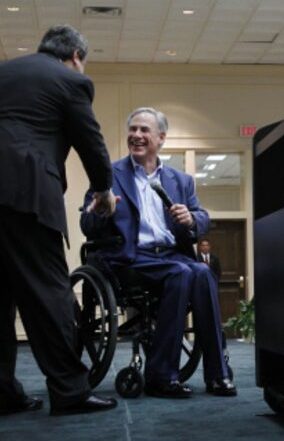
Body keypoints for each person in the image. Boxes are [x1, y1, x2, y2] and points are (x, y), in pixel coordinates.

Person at [0, 25, 118, 416]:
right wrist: (103, 191)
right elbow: (92, 142)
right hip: (21, 188)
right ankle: (69, 390)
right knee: (47, 291)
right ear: (75, 57)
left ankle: (1, 392)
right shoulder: (71, 81)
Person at [80, 107, 236, 398]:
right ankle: (161, 376)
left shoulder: (181, 180)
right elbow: (86, 224)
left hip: (171, 255)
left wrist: (190, 219)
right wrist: (99, 212)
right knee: (181, 272)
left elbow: (202, 217)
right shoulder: (108, 174)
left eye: (144, 130)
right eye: (133, 129)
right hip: (130, 258)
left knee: (202, 272)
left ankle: (218, 374)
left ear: (161, 138)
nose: (136, 135)